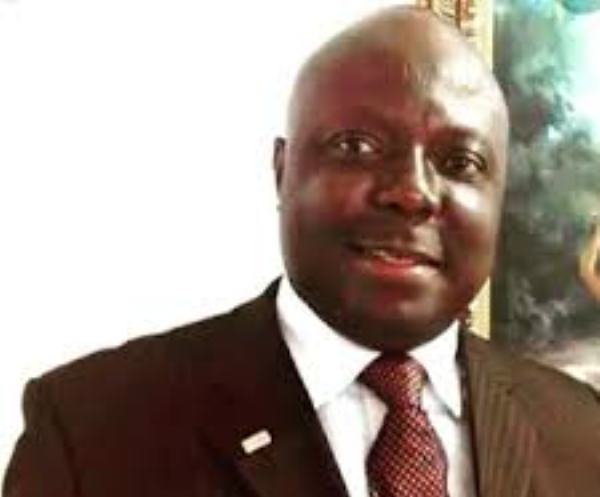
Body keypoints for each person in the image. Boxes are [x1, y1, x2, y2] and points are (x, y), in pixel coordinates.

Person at [4, 7, 600, 497]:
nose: (412, 192)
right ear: (282, 172)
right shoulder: (92, 431)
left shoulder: (582, 432)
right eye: (358, 146)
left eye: (459, 162)